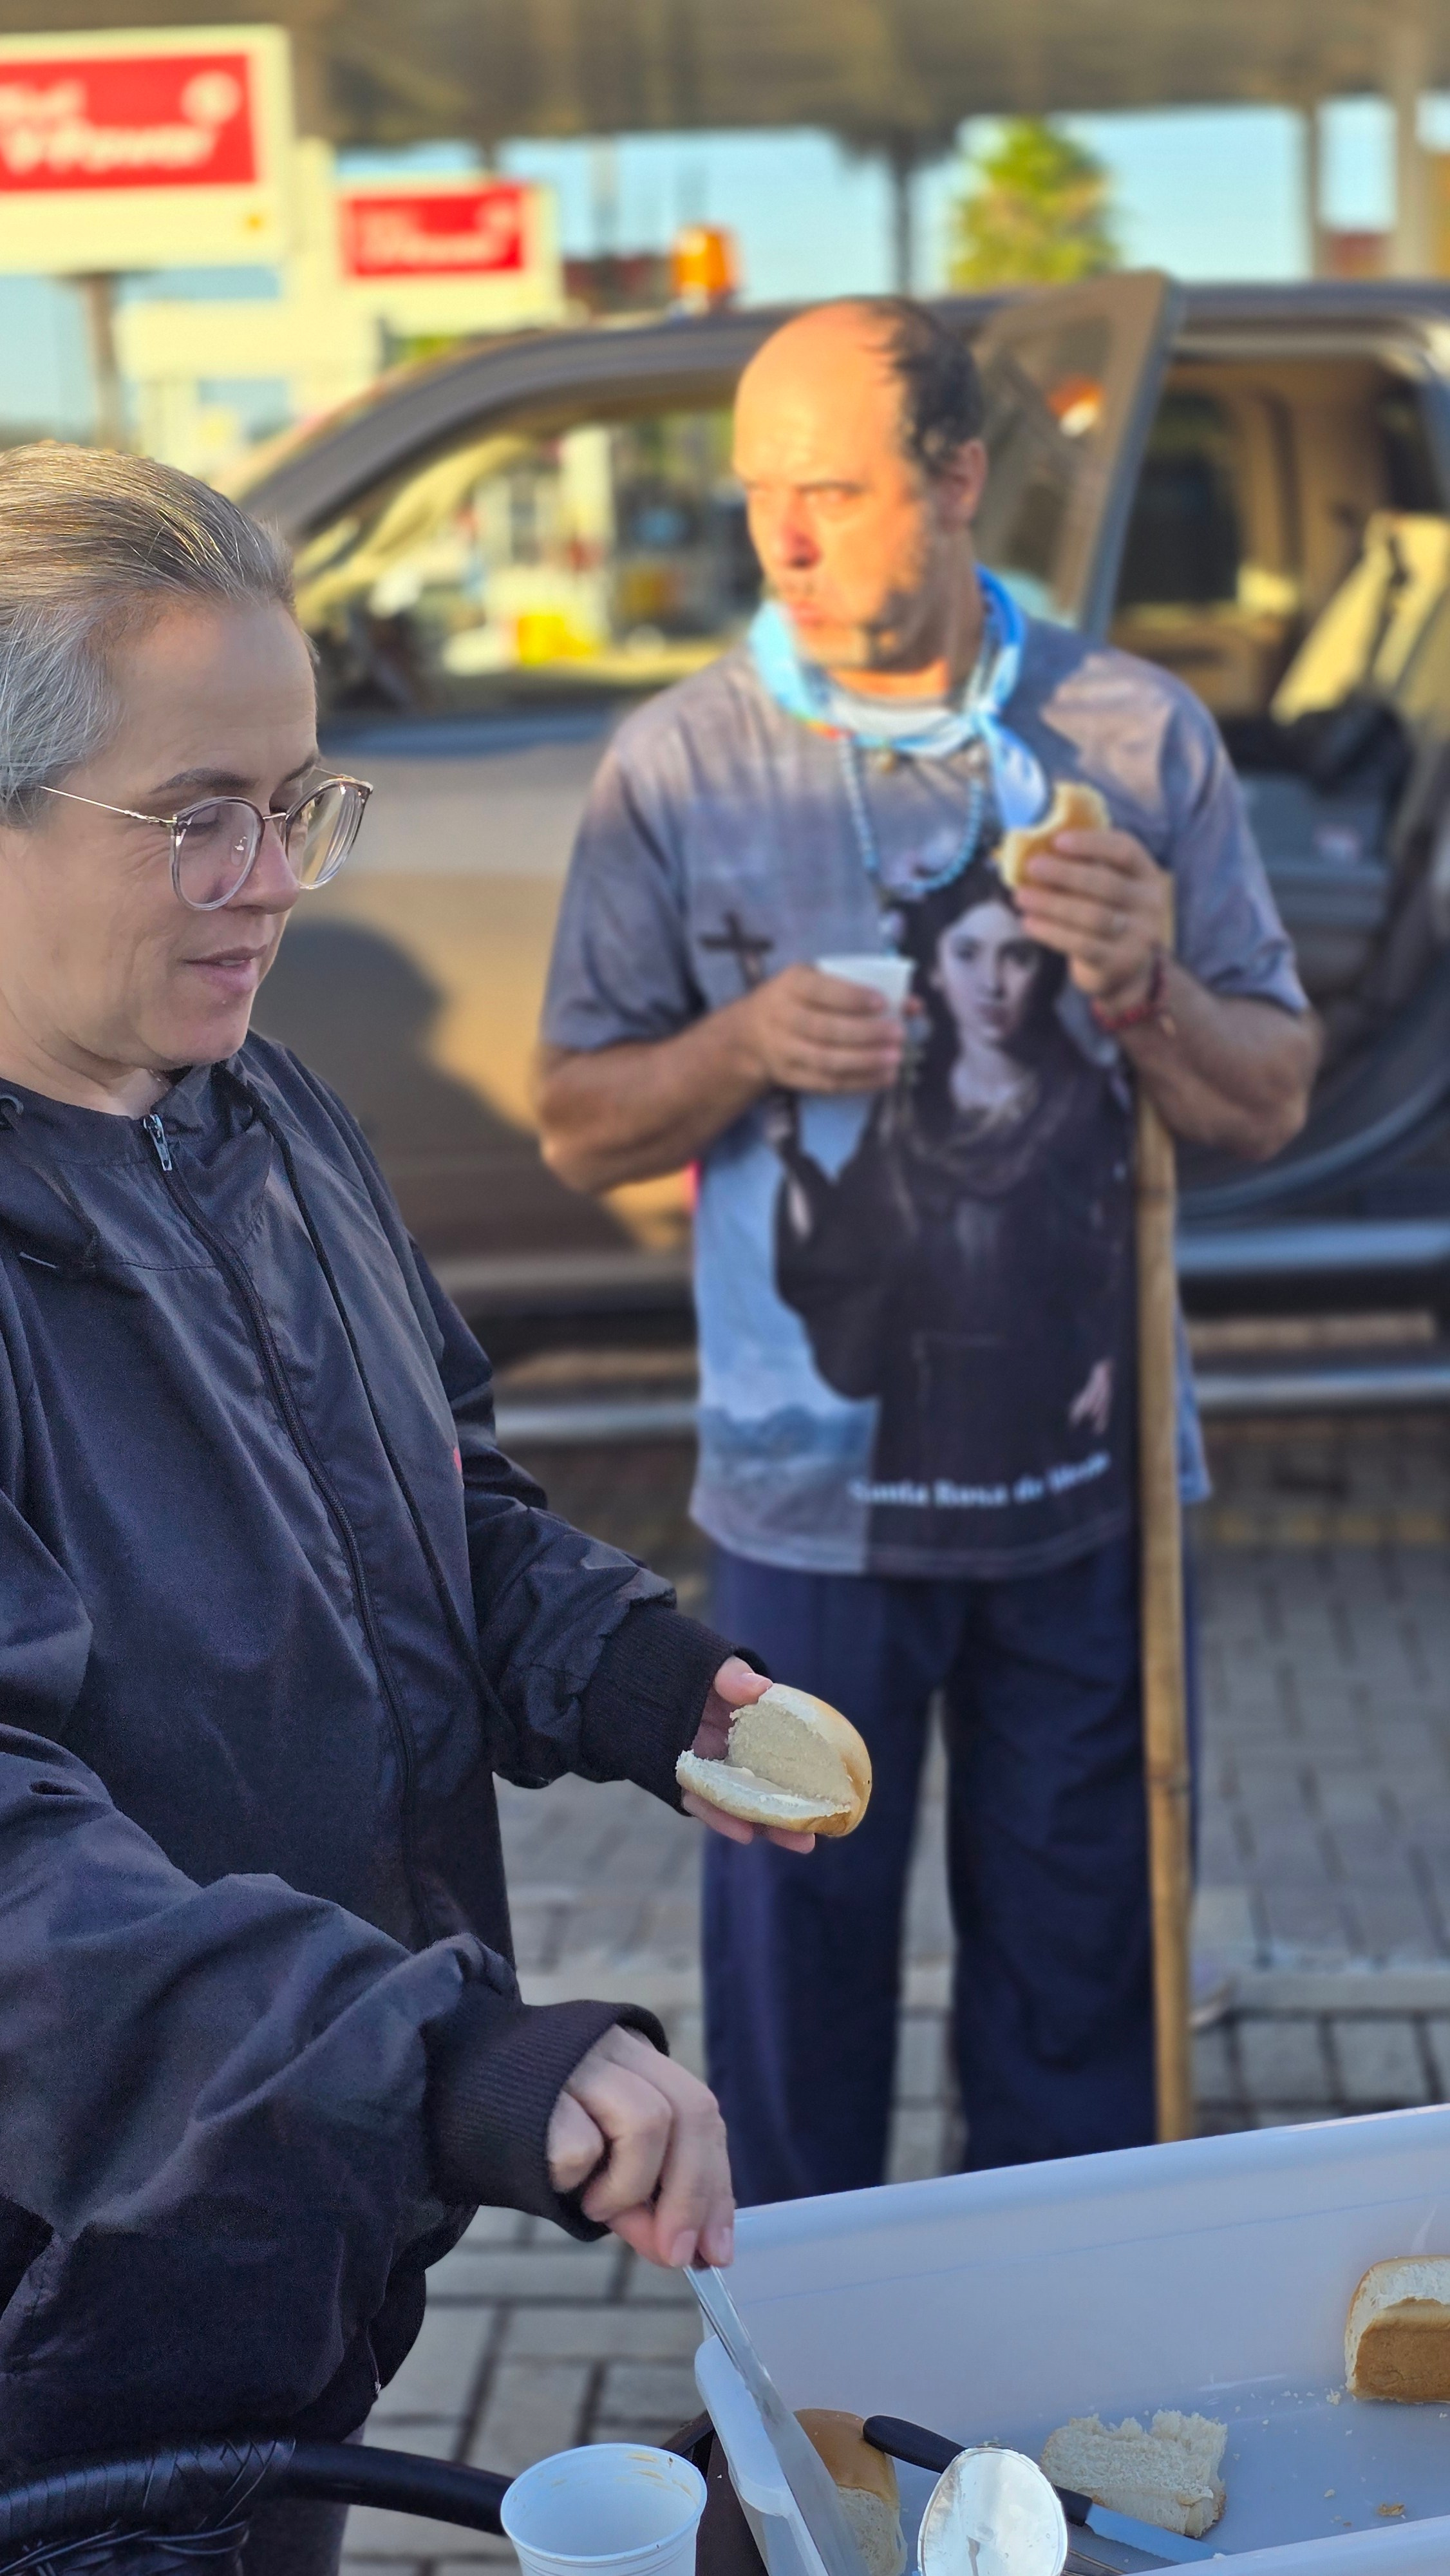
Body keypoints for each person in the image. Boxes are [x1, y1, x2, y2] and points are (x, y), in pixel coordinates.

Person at [0, 445, 816, 2523]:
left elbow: (429, 1503)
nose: (275, 878)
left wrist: (624, 1673)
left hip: (286, 2221)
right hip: (58, 2313)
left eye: (295, 804)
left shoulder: (265, 1115)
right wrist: (443, 2063)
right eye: (198, 816)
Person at [536, 297, 1321, 2200]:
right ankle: (801, 2358)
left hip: (1086, 1494)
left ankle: (1049, 2340)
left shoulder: (1128, 733)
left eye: (831, 490)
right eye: (757, 494)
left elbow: (1267, 1093)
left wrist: (1144, 988)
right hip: (807, 1510)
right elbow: (577, 1117)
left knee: (1076, 2007)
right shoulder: (680, 760)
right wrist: (740, 1046)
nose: (782, 540)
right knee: (791, 2005)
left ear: (959, 478)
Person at [771, 855, 1131, 1562]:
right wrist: (797, 1163)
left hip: (1039, 1407)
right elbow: (851, 1245)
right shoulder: (904, 1111)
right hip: (925, 1410)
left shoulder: (1077, 1102)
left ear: (1043, 970)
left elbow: (1110, 1244)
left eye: (1016, 956)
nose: (991, 983)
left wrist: (1103, 1358)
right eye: (967, 954)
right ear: (933, 970)